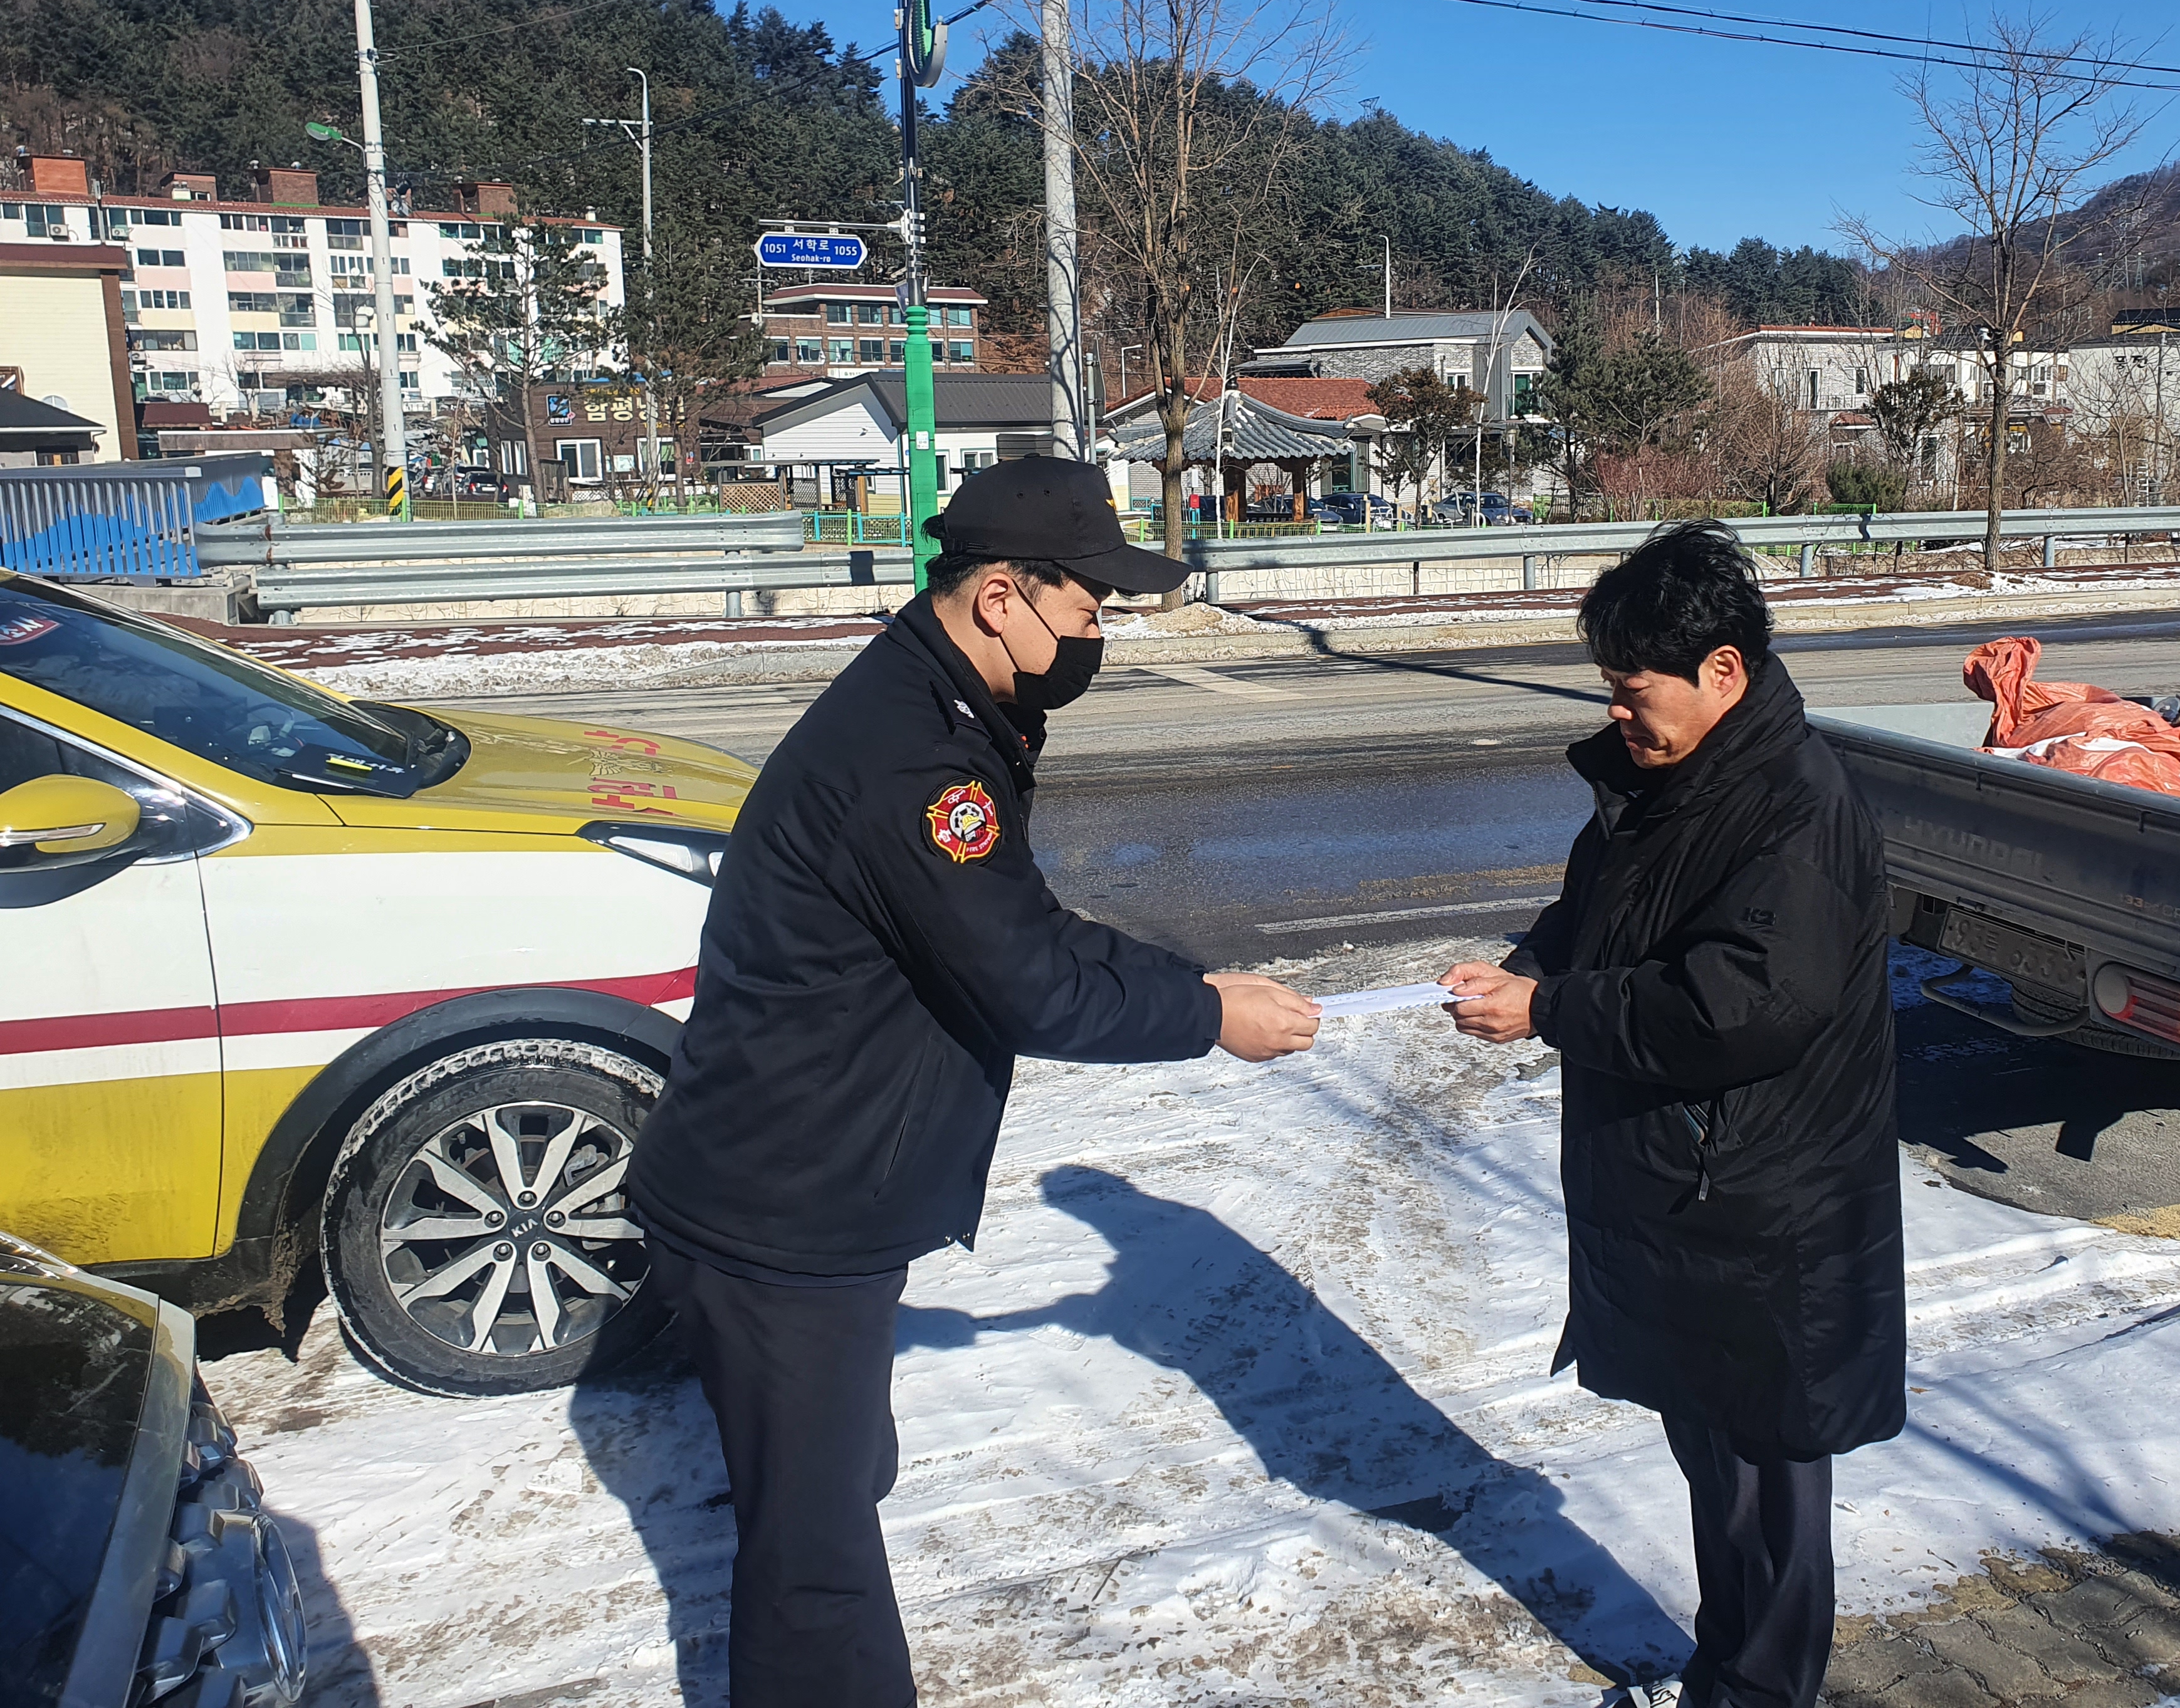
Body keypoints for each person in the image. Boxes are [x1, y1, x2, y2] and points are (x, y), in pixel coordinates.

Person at [627, 458, 1321, 1708]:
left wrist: (1194, 983)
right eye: (1088, 608)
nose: (1099, 635)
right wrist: (1207, 1017)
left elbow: (1019, 926)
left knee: (834, 1497)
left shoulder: (933, 708)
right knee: (814, 1568)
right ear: (1002, 596)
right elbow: (1031, 985)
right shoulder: (920, 763)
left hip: (800, 1181)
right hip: (785, 1211)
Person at [1444, 520, 1904, 1708]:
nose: (1616, 711)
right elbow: (1597, 914)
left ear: (1723, 671)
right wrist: (1529, 966)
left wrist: (1550, 1010)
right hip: (1699, 1194)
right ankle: (1722, 1674)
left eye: (1632, 687)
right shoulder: (1673, 779)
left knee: (1764, 1482)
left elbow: (1739, 1007)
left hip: (1763, 1205)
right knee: (1715, 1464)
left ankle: (1758, 1692)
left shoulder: (1793, 809)